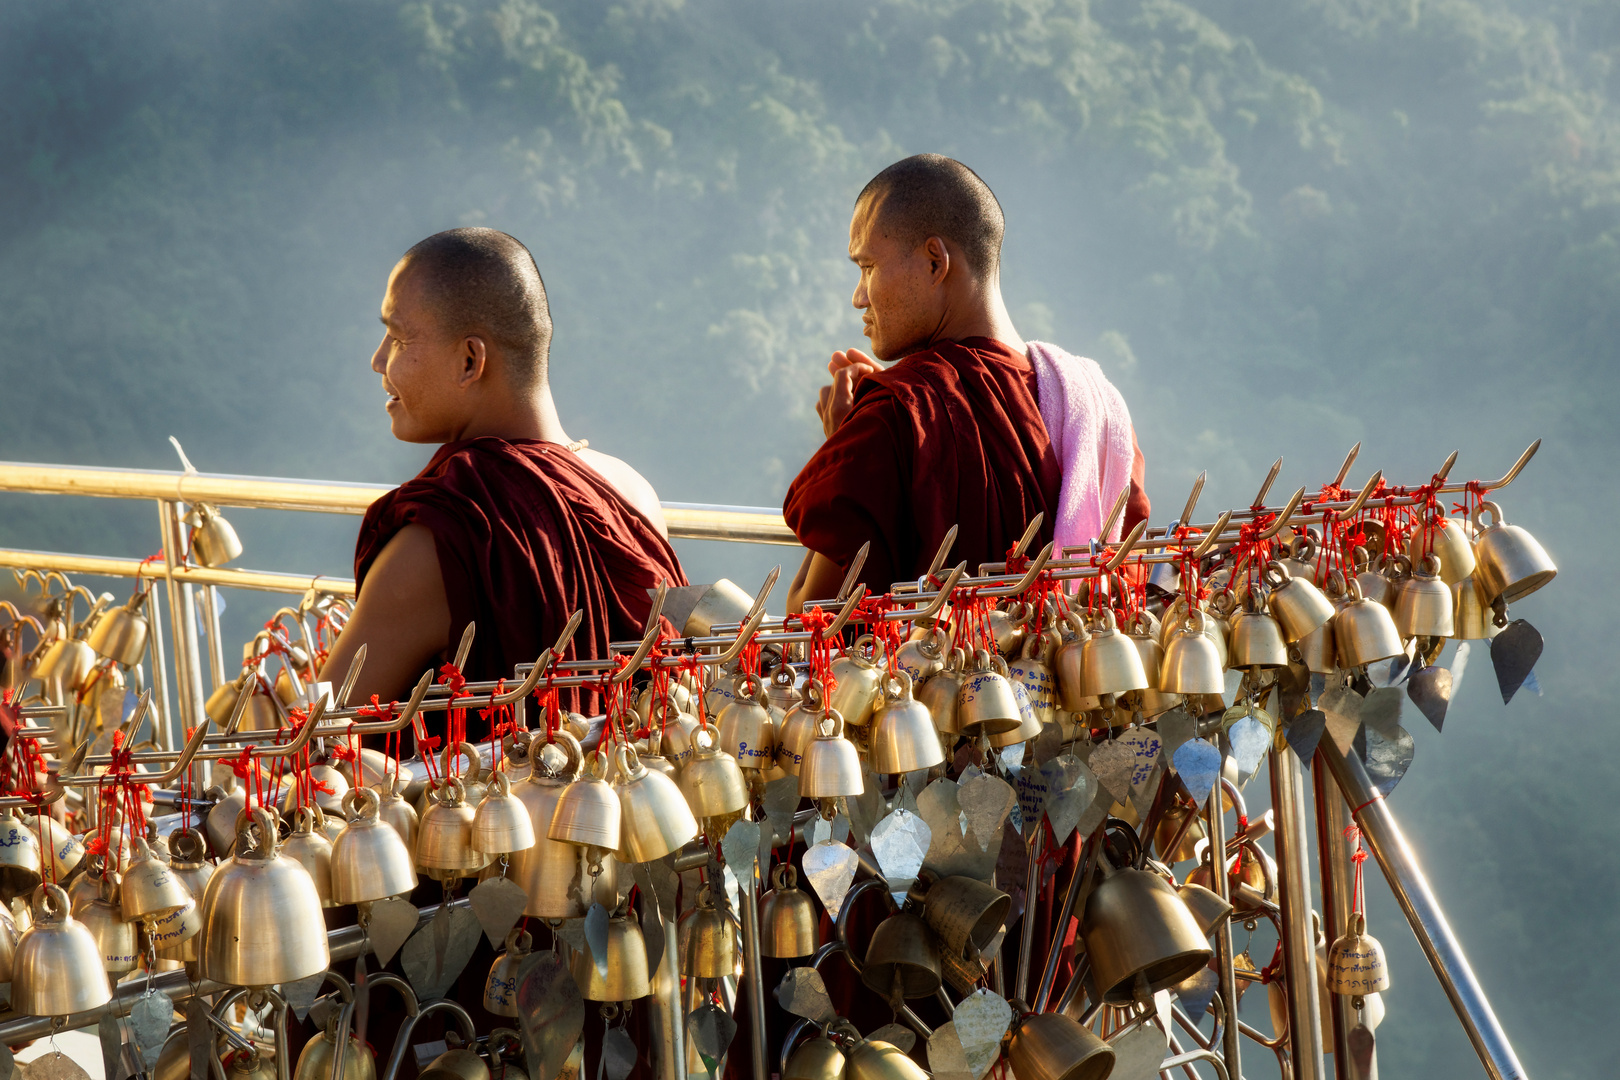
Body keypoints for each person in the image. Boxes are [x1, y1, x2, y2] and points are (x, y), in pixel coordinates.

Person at [320, 227, 686, 713]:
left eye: (398, 337)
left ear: (470, 360)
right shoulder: (632, 492)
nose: (377, 360)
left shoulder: (438, 543)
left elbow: (316, 745)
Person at [783, 155, 1148, 610]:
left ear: (936, 262)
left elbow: (810, 622)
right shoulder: (1100, 414)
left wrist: (841, 451)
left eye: (868, 267)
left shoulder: (897, 417)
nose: (859, 296)